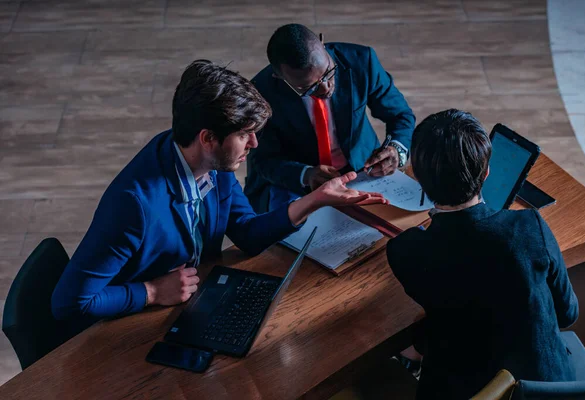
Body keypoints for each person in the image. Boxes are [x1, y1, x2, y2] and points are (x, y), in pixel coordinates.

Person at [51, 60, 387, 322]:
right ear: (207, 138)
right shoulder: (132, 206)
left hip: (194, 303)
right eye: (245, 135)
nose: (254, 144)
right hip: (130, 326)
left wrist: (315, 199)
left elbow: (246, 233)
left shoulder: (214, 165)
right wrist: (151, 291)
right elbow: (70, 302)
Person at [386, 109, 579, 399]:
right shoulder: (529, 226)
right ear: (487, 172)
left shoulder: (405, 251)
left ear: (419, 179)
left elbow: (460, 305)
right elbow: (567, 314)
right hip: (550, 391)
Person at [244, 23, 415, 213]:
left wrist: (396, 150)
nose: (325, 88)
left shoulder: (361, 61)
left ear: (322, 43)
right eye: (309, 88)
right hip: (298, 182)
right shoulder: (261, 92)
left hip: (363, 169)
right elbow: (263, 159)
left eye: (328, 72)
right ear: (280, 77)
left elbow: (400, 115)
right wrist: (305, 174)